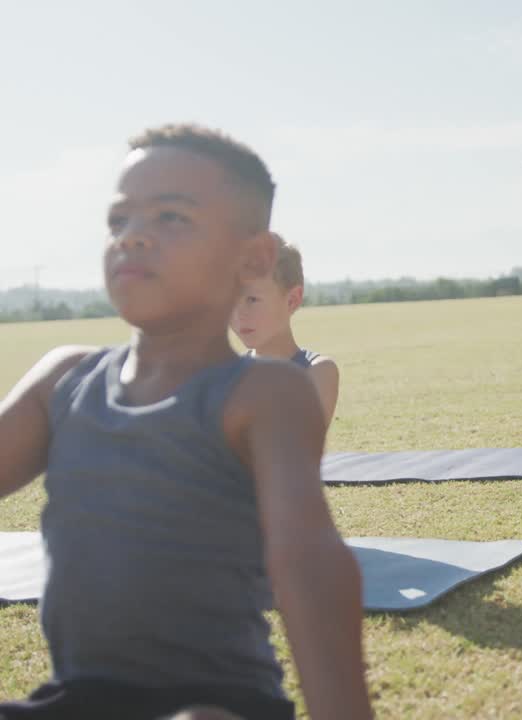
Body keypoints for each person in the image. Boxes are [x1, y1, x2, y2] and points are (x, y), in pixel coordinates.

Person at [0, 125, 372, 719]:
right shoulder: (63, 379)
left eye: (171, 217)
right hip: (77, 702)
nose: (134, 237)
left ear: (252, 258)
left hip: (217, 706)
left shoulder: (265, 392)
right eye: (119, 219)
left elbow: (310, 563)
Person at [230, 232, 340, 426]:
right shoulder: (226, 373)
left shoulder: (317, 372)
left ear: (292, 300)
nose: (238, 314)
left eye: (252, 300)